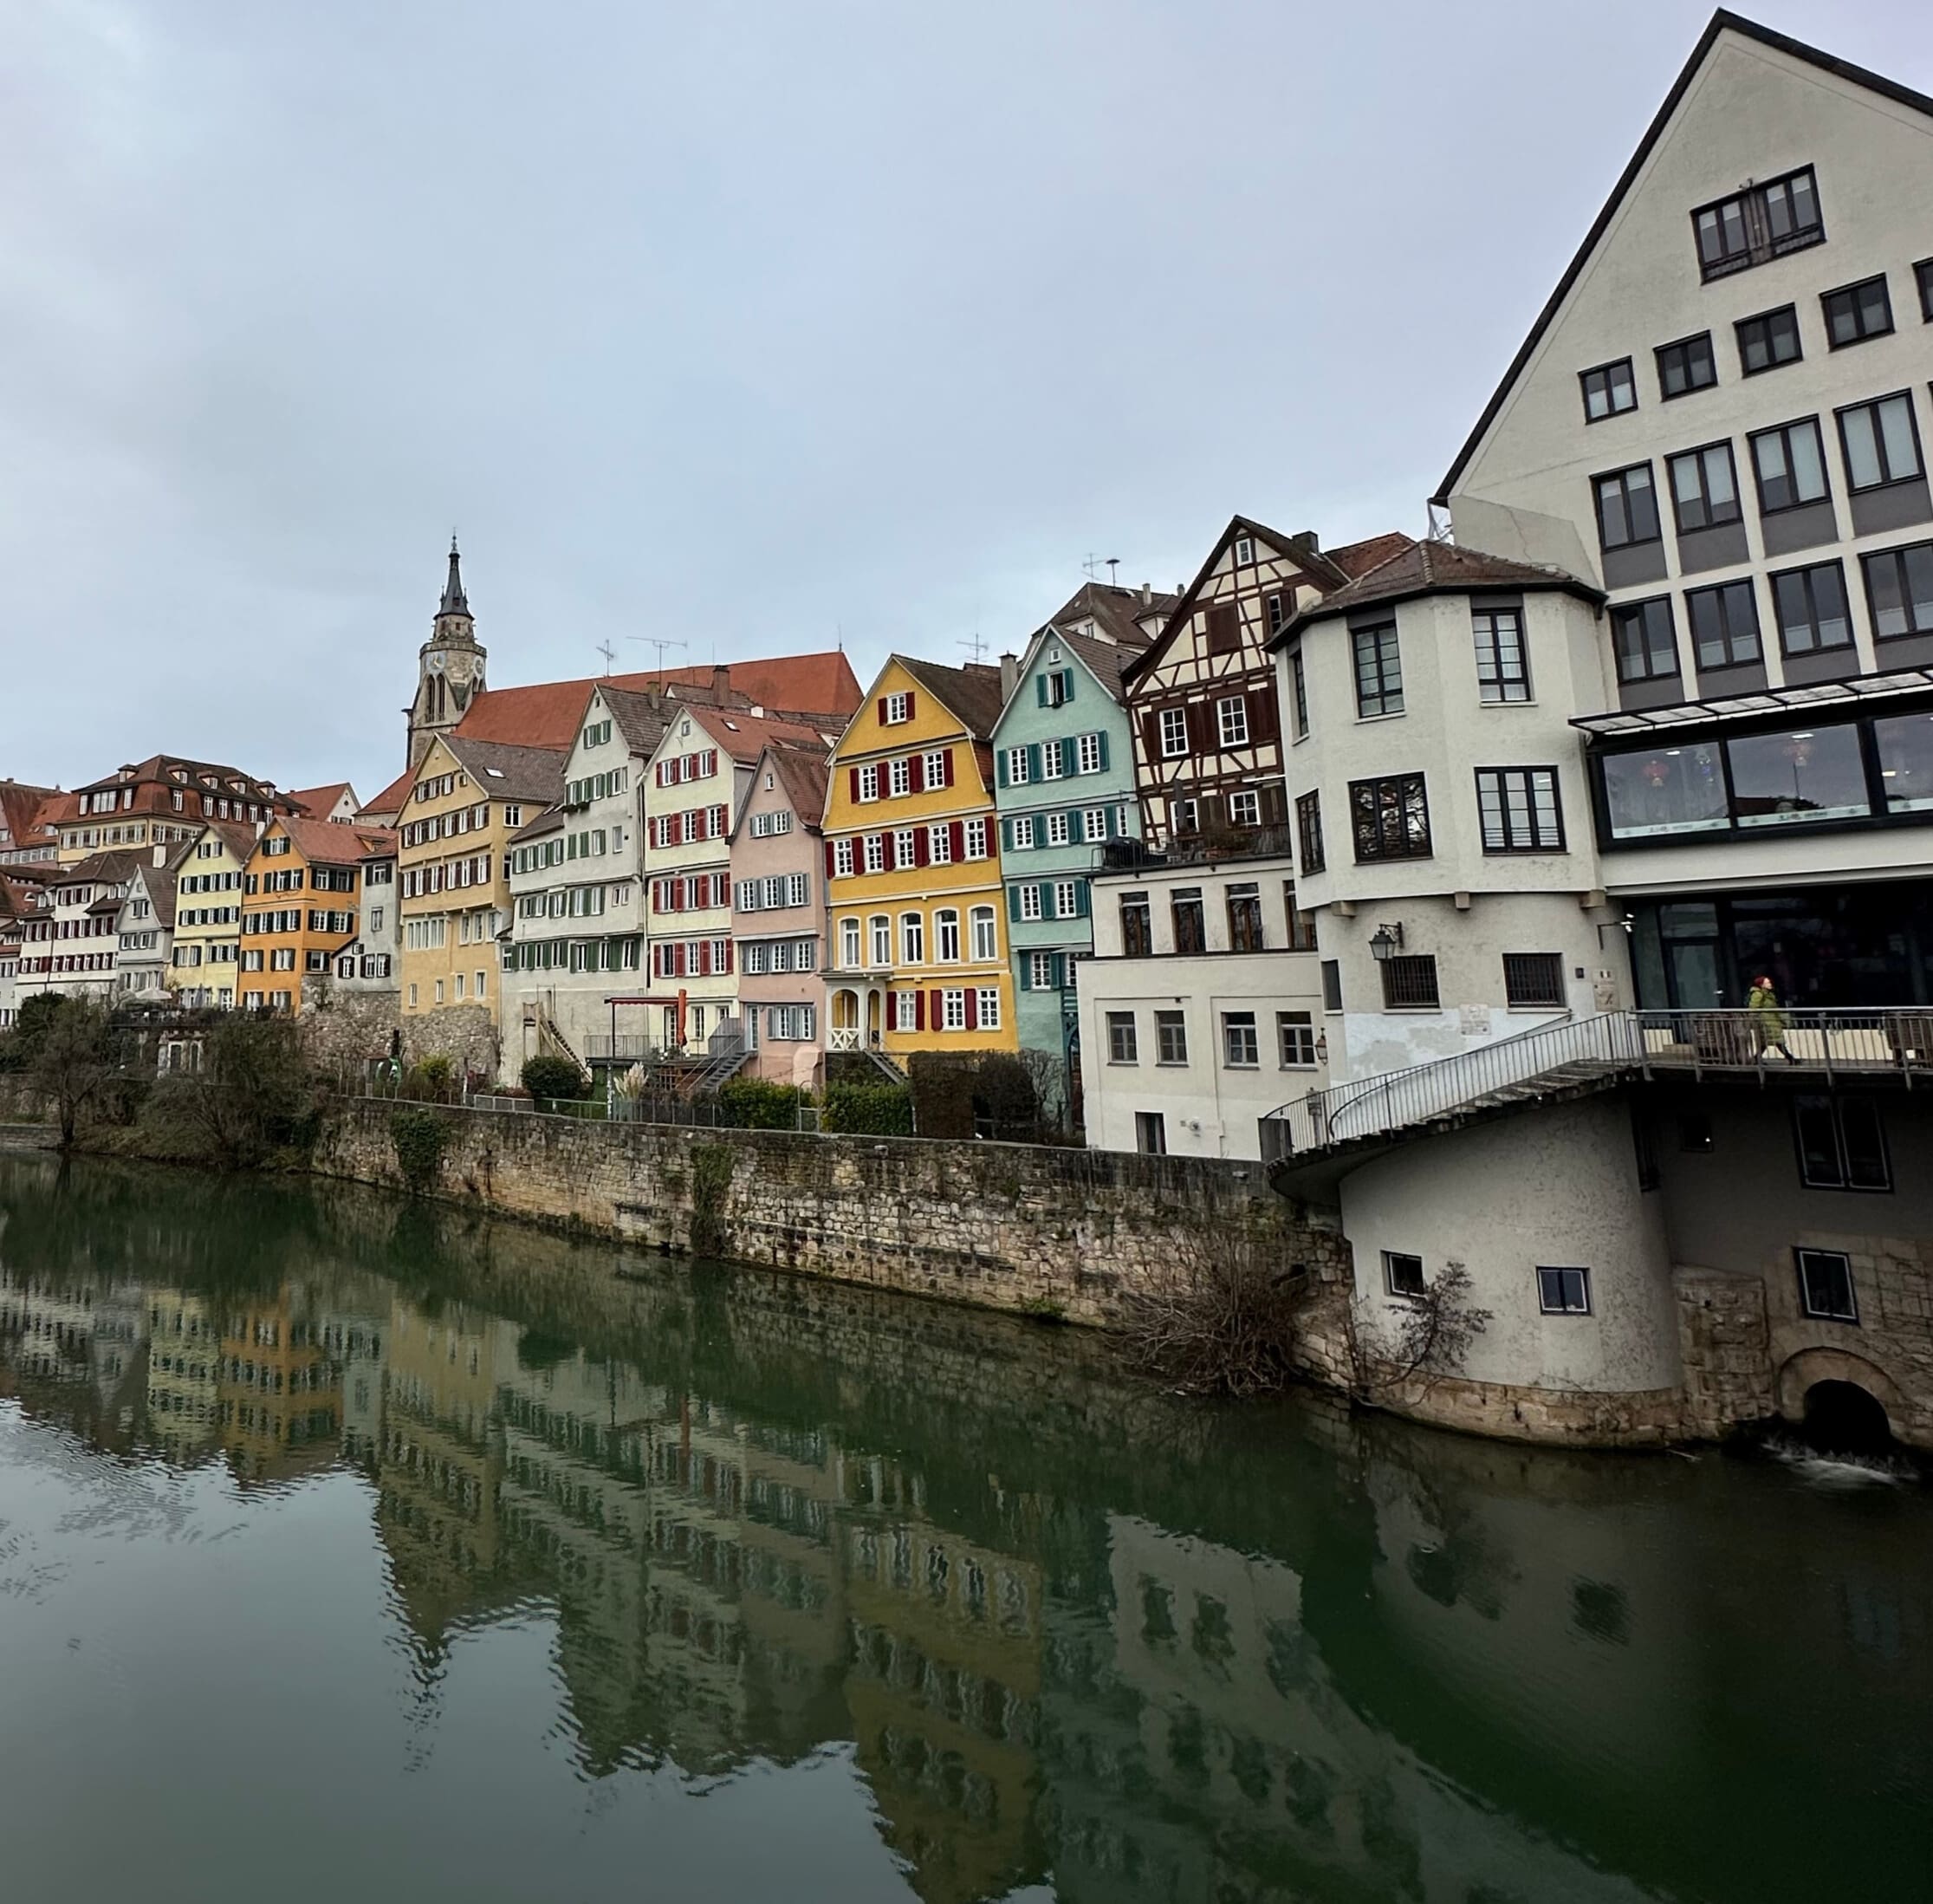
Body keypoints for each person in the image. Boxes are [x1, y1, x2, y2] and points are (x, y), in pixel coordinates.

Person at [1747, 974, 1794, 1062]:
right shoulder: (1758, 994)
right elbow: (1753, 1008)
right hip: (1765, 1022)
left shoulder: (1769, 994)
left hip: (1771, 1021)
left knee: (1768, 1043)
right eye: (1768, 983)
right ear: (1762, 985)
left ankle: (1756, 1059)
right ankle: (1790, 1058)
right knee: (1777, 1042)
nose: (1770, 984)